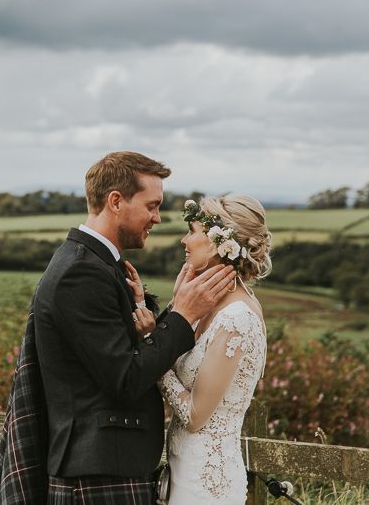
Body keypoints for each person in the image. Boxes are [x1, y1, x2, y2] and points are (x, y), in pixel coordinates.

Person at [28, 152, 237, 505]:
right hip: (98, 471)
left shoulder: (97, 264)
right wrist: (183, 316)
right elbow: (124, 378)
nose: (157, 217)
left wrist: (154, 312)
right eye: (152, 206)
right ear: (115, 202)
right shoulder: (81, 273)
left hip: (107, 465)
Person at [158, 195, 272, 504]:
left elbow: (195, 416)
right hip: (181, 472)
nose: (185, 240)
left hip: (207, 485)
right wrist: (176, 307)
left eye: (192, 231)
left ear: (220, 241)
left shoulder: (237, 319)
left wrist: (153, 357)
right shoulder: (206, 306)